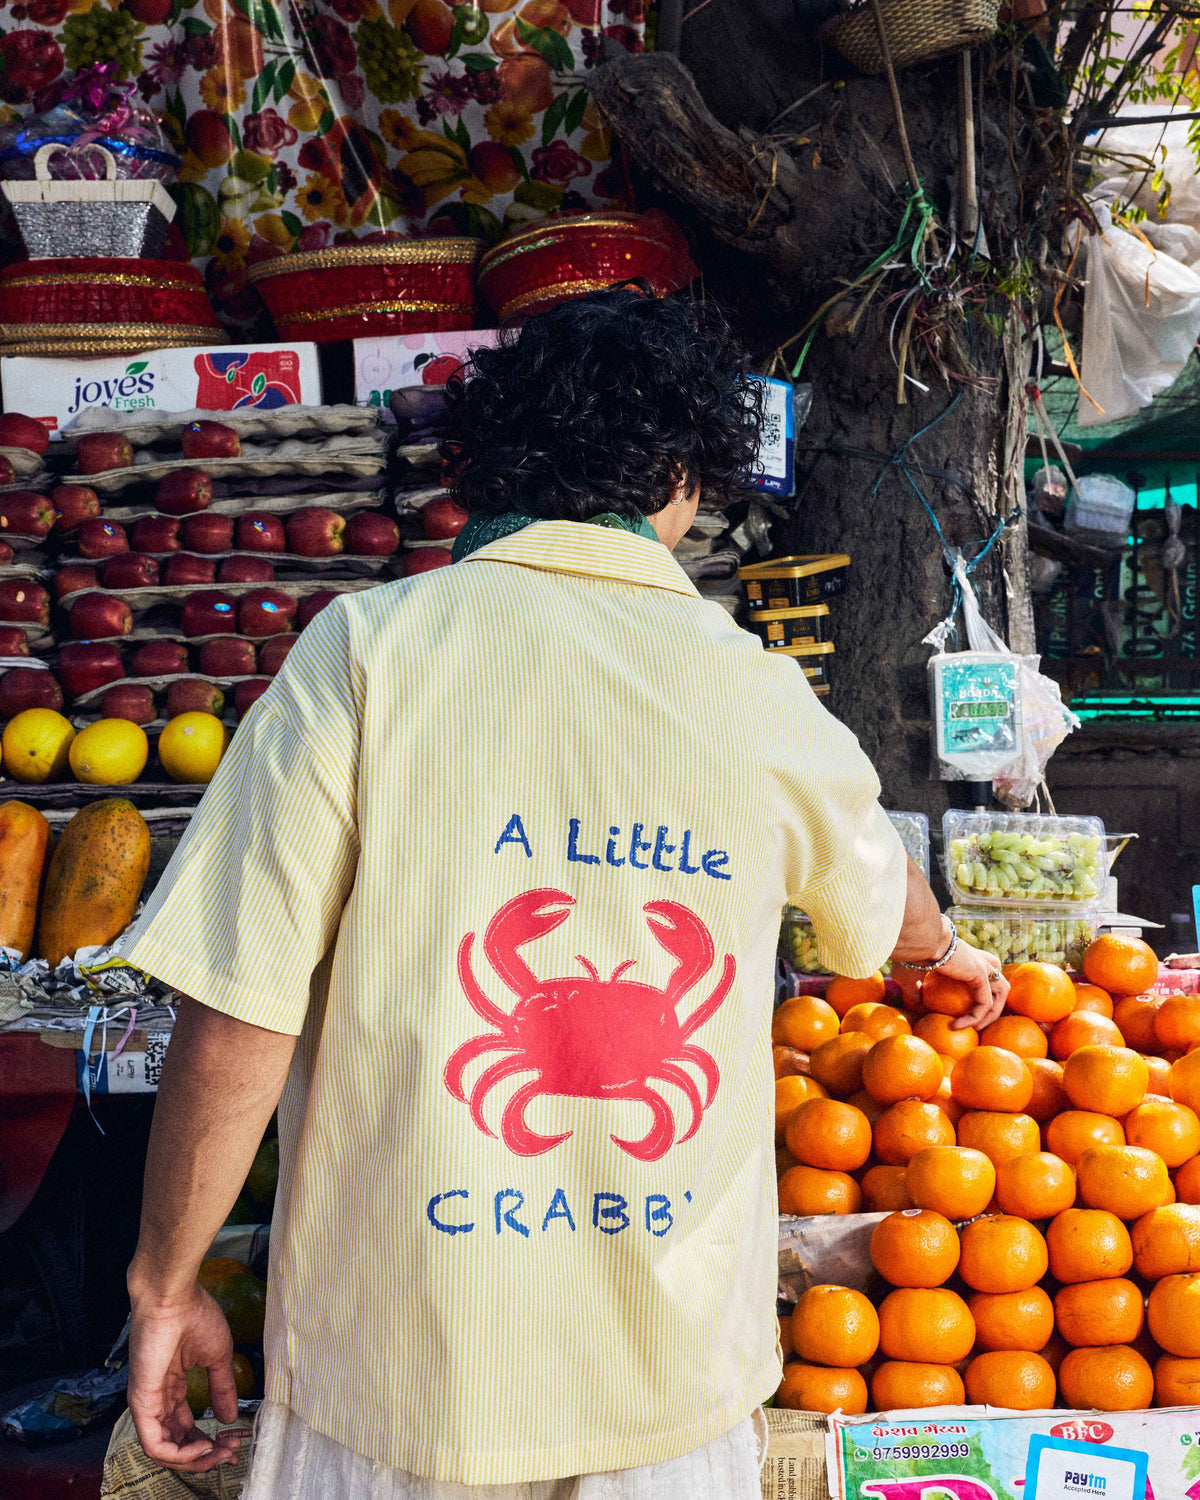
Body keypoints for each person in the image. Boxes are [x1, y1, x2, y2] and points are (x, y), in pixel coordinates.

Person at [121, 286, 1008, 1498]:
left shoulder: (366, 649)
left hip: (401, 1377)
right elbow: (878, 911)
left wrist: (164, 1288)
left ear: (491, 467)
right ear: (686, 481)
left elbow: (240, 1006)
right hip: (668, 1393)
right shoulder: (754, 691)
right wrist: (943, 947)